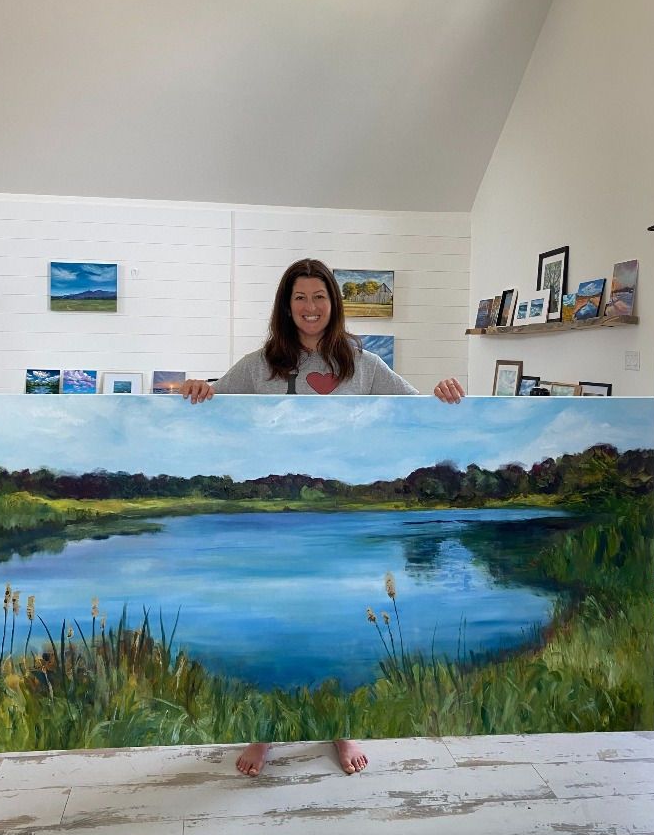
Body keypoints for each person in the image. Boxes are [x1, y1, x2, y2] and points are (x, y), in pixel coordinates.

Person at [181, 258, 465, 776]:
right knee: (273, 619)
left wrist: (443, 395)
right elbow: (216, 405)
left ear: (333, 303)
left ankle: (342, 725)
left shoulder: (362, 362)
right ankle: (265, 732)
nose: (310, 307)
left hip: (339, 514)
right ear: (285, 306)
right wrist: (201, 389)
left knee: (342, 618)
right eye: (300, 298)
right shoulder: (258, 365)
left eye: (319, 296)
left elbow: (413, 408)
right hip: (274, 520)